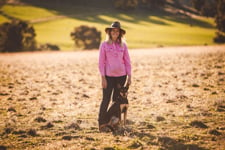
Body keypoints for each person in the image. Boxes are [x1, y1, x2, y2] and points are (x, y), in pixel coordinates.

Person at [98, 21, 132, 131]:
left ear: (120, 33)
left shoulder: (123, 45)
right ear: (110, 32)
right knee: (106, 99)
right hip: (108, 77)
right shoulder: (104, 45)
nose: (115, 32)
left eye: (117, 31)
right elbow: (101, 62)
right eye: (113, 30)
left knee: (117, 101)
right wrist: (103, 78)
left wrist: (129, 76)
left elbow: (127, 61)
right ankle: (102, 123)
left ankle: (114, 123)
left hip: (121, 76)